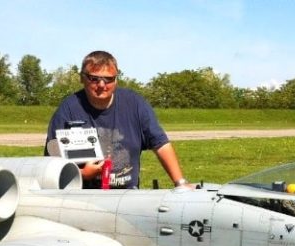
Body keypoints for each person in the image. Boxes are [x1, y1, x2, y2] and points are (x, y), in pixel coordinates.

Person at [45, 50, 190, 189]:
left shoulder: (135, 104)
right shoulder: (68, 110)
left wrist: (180, 182)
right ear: (82, 78)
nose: (102, 85)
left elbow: (161, 144)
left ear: (116, 80)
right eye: (94, 78)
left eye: (108, 79)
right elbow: (50, 163)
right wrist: (82, 174)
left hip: (126, 197)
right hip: (83, 199)